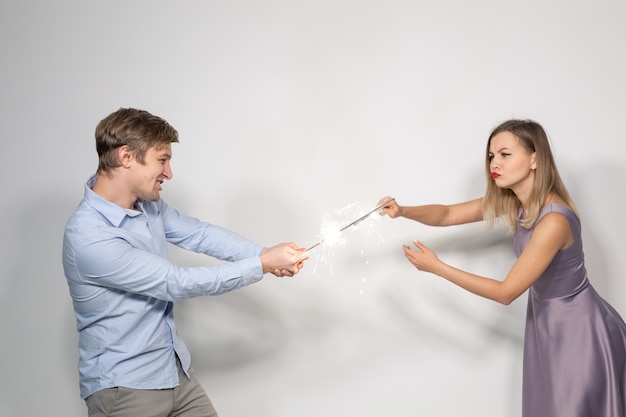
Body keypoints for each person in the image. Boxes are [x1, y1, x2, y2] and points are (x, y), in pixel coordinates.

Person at [62, 107, 309, 417]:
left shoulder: (148, 207)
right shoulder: (90, 236)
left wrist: (264, 255)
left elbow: (200, 235)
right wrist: (262, 265)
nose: (168, 173)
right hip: (126, 389)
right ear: (126, 157)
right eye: (162, 160)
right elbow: (175, 283)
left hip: (175, 373)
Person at [378, 119, 626, 417]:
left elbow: (506, 292)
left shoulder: (554, 221)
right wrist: (402, 210)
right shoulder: (516, 203)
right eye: (492, 156)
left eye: (505, 154)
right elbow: (447, 214)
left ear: (535, 159)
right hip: (546, 325)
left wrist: (438, 267)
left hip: (580, 331)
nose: (495, 162)